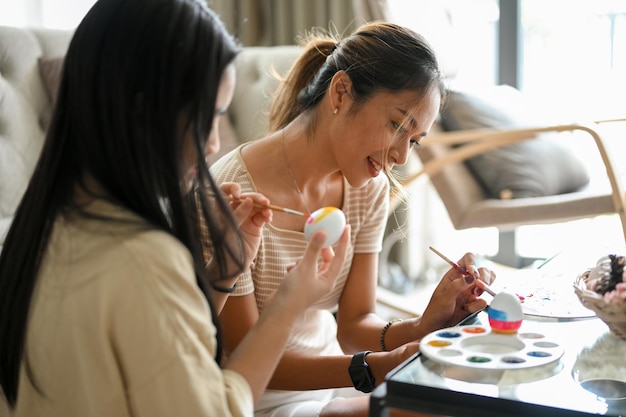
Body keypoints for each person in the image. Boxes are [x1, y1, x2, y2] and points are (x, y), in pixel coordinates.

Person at [0, 1, 351, 416]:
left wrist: (220, 275)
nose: (214, 144)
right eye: (209, 117)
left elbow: (152, 355)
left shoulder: (39, 228)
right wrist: (287, 305)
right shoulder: (143, 258)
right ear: (146, 111)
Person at [210, 22, 497, 417]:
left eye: (413, 140)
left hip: (333, 378)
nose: (400, 157)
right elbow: (246, 359)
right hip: (253, 399)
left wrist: (425, 324)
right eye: (397, 125)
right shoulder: (232, 194)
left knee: (469, 395)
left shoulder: (366, 186)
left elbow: (354, 323)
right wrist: (370, 368)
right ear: (341, 92)